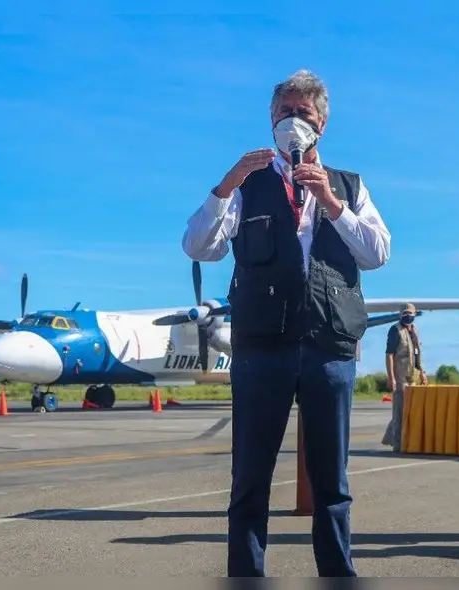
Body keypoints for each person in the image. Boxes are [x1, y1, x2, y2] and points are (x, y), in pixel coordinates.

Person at [181, 69, 391, 577]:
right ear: (269, 120)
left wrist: (333, 205)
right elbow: (199, 247)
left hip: (328, 347)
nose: (293, 122)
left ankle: (338, 574)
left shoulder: (349, 186)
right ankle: (245, 574)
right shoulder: (246, 185)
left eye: (304, 114)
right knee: (250, 476)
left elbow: (377, 253)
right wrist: (224, 187)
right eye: (284, 113)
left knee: (331, 481)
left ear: (323, 123)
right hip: (261, 348)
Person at [381, 303, 427, 450]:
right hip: (400, 376)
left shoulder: (415, 331)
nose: (408, 316)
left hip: (414, 376)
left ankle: (395, 438)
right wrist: (391, 378)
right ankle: (398, 444)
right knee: (399, 411)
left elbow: (417, 354)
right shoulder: (395, 330)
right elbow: (389, 355)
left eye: (410, 314)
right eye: (405, 314)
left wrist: (423, 372)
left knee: (411, 411)